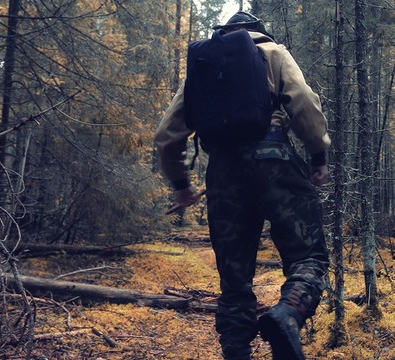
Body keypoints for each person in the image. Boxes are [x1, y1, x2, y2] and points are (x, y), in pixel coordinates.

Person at [154, 11, 331, 360]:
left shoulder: (204, 64)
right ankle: (288, 314)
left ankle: (236, 353)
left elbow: (166, 136)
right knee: (307, 255)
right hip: (275, 161)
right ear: (258, 30)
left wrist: (180, 184)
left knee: (234, 282)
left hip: (223, 173)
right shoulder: (273, 52)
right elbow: (305, 104)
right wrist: (318, 155)